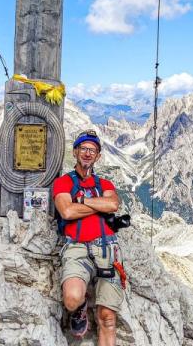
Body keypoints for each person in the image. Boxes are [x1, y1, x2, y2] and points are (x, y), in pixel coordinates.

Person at [53, 129, 124, 344]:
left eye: (92, 150)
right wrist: (99, 205)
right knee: (72, 299)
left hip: (107, 247)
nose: (87, 153)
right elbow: (67, 212)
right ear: (75, 152)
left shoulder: (105, 184)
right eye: (83, 148)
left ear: (98, 156)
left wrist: (82, 201)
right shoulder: (64, 182)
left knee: (107, 318)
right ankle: (81, 307)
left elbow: (113, 205)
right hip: (77, 246)